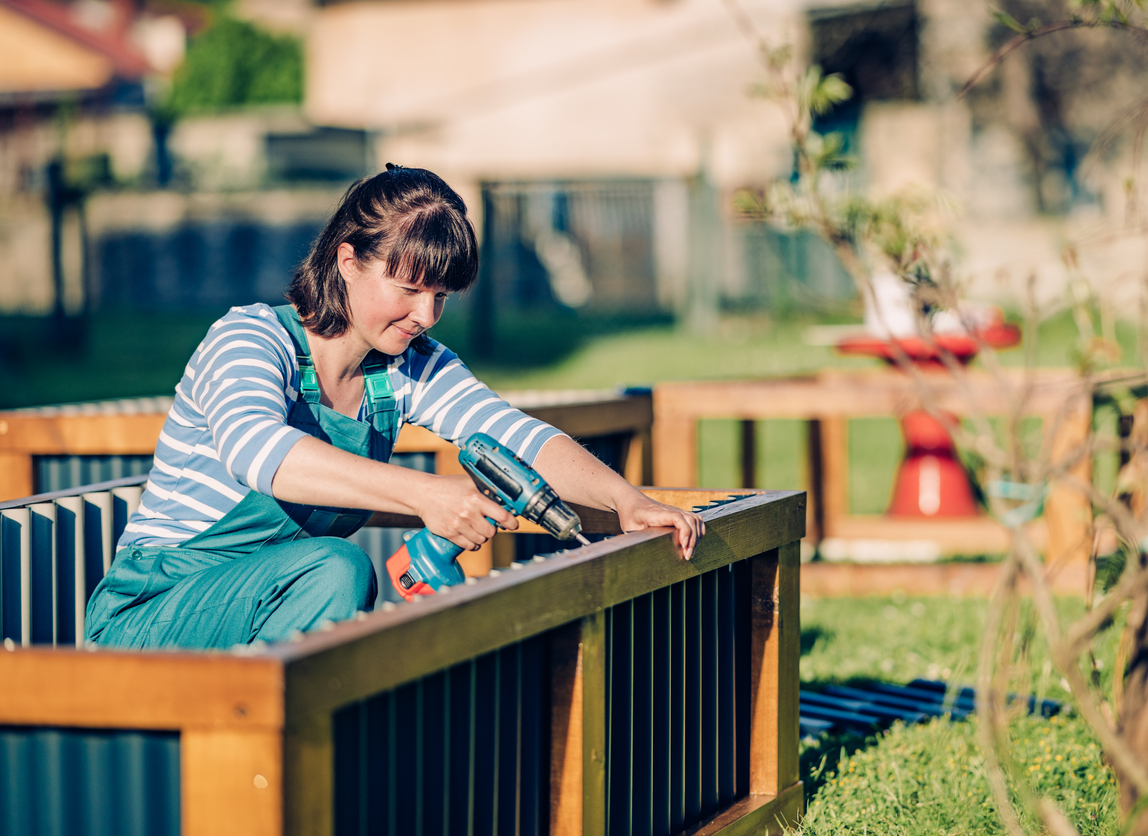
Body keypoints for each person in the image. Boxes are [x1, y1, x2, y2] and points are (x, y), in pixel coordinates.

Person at [85, 164, 704, 651]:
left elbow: (512, 434)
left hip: (272, 606)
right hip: (151, 617)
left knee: (332, 574)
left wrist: (627, 499)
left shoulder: (408, 365)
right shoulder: (248, 338)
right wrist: (426, 495)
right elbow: (258, 452)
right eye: (408, 289)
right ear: (347, 261)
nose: (426, 316)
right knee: (334, 569)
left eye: (441, 296)